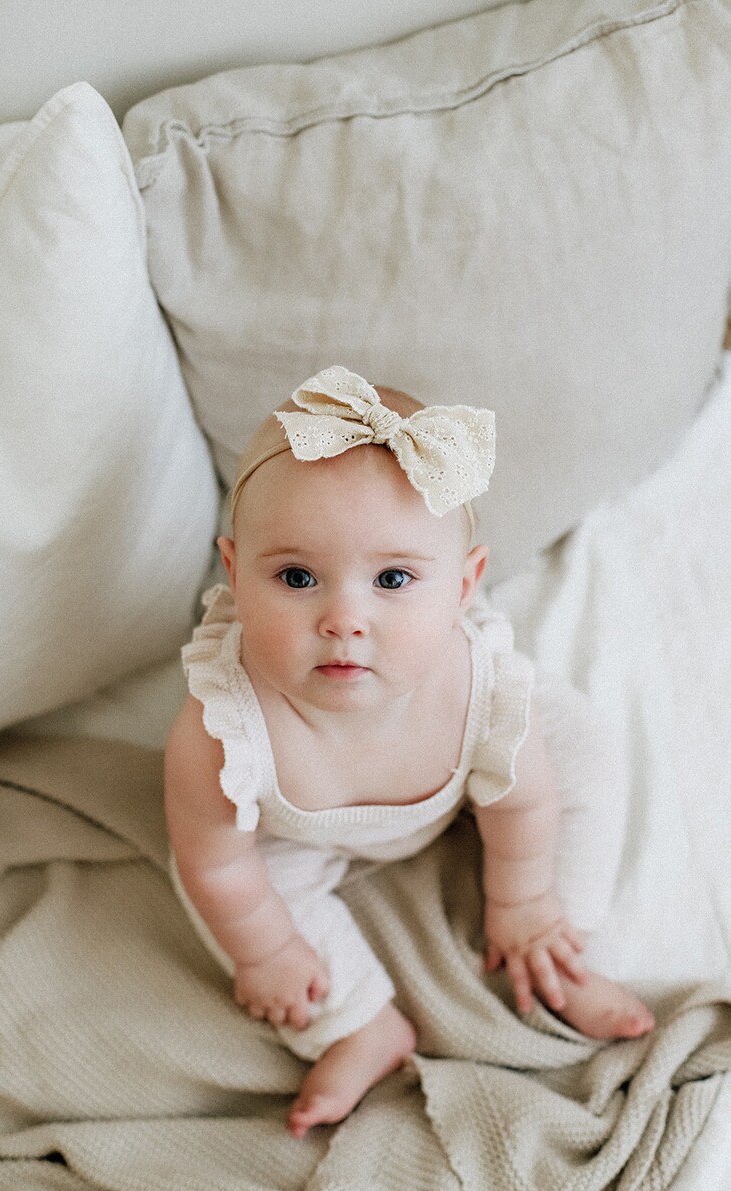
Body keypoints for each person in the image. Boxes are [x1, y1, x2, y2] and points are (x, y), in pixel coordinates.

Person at [164, 365, 655, 1139]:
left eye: (393, 577)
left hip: (475, 776)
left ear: (465, 586)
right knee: (221, 899)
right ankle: (359, 1023)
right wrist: (267, 948)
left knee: (580, 753)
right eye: (297, 576)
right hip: (301, 833)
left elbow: (522, 799)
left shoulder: (474, 684)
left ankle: (559, 945)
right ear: (233, 572)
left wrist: (519, 899)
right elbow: (217, 860)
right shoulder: (223, 728)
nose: (345, 618)